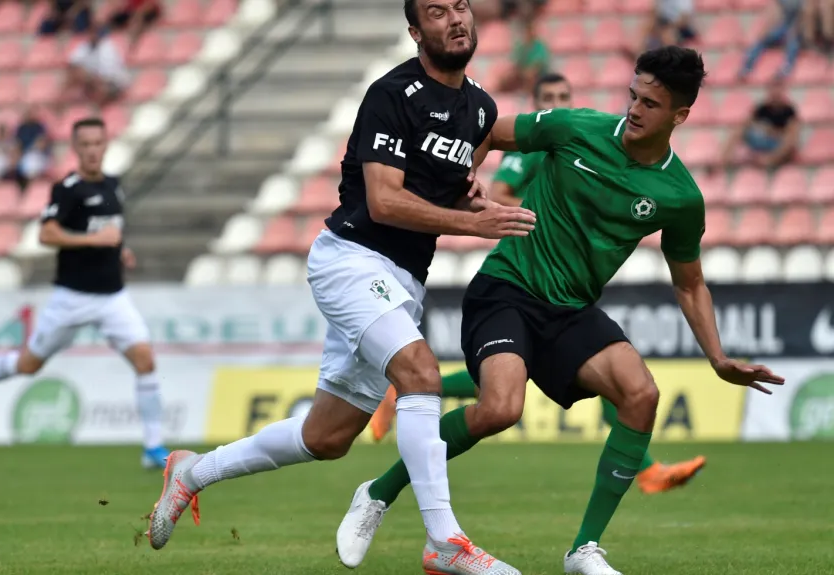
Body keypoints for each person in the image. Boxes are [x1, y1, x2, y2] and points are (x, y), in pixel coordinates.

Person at [337, 46, 785, 575]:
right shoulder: (577, 128)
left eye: (651, 104)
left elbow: (689, 283)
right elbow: (488, 131)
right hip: (506, 287)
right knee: (502, 408)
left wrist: (717, 358)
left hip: (570, 309)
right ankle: (379, 493)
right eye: (633, 96)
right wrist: (466, 180)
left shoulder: (680, 196)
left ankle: (583, 551)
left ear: (680, 116)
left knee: (640, 395)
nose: (635, 110)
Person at [149, 1, 538, 573]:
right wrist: (473, 223)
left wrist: (468, 201)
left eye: (461, 6)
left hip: (402, 278)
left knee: (326, 437)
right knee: (420, 374)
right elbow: (384, 201)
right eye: (436, 11)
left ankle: (193, 472)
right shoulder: (390, 94)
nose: (455, 19)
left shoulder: (479, 109)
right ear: (415, 31)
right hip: (351, 260)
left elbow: (447, 187)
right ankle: (444, 542)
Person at [369, 72, 708, 495]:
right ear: (537, 101)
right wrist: (539, 212)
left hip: (567, 290)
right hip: (519, 274)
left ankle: (639, 475)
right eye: (550, 97)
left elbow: (689, 279)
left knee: (613, 382)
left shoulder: (621, 160)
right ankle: (645, 468)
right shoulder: (538, 148)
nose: (558, 102)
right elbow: (500, 189)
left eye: (564, 95)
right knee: (502, 399)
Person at [0, 118, 170, 470]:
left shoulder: (114, 186)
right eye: (85, 144)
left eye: (98, 143)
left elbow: (111, 231)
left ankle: (153, 448)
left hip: (112, 298)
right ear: (76, 149)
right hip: (72, 298)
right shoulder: (68, 189)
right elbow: (46, 234)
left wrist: (120, 250)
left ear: (105, 146)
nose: (92, 150)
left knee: (145, 361)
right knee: (29, 364)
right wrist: (93, 241)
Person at [720, 79, 799, 170]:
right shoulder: (762, 108)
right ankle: (724, 160)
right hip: (763, 139)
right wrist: (761, 128)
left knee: (789, 140)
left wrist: (773, 132)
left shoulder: (789, 111)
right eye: (773, 90)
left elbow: (792, 134)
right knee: (738, 130)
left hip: (777, 143)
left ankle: (769, 160)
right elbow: (747, 123)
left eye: (777, 91)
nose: (775, 94)